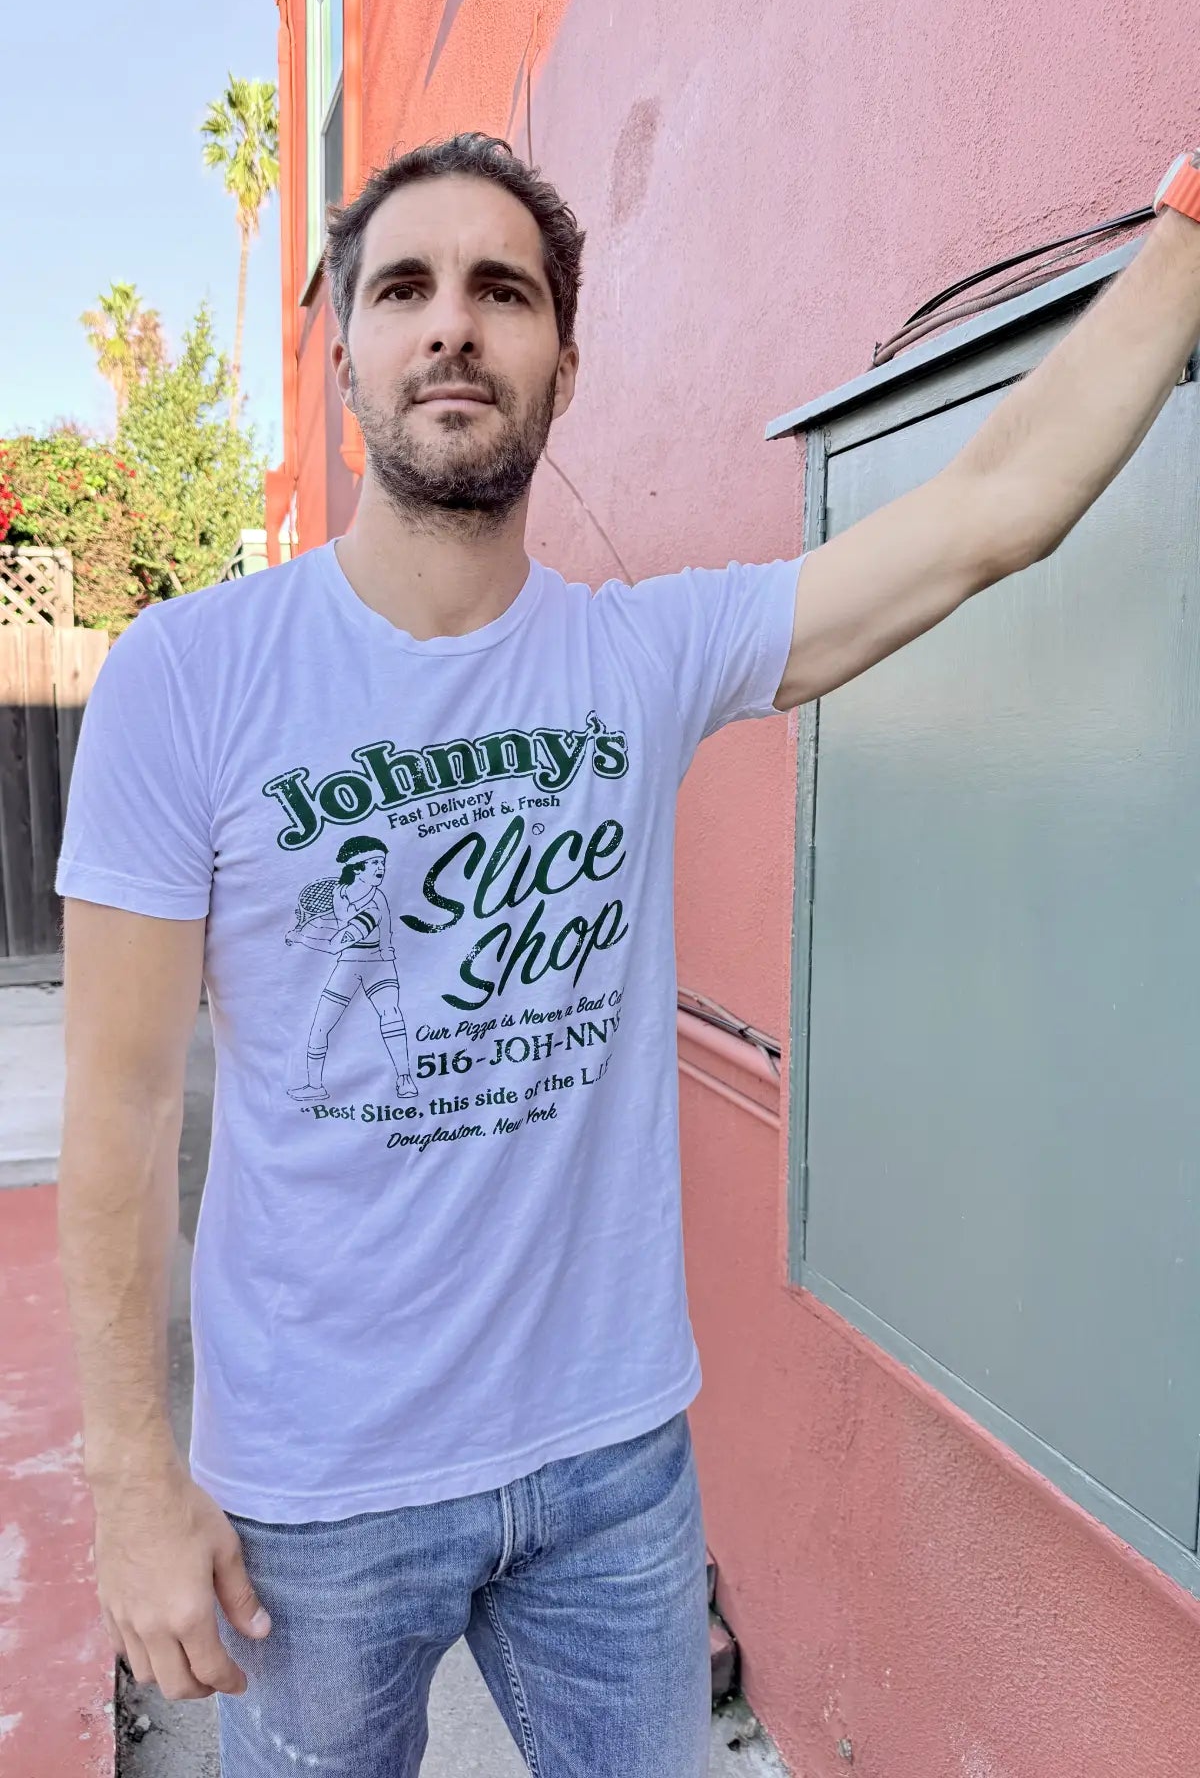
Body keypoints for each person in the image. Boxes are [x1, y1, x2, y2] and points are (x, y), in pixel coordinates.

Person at [56, 133, 1200, 1777]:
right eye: (407, 287)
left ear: (563, 363)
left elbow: (990, 511)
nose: (453, 324)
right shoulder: (194, 677)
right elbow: (116, 1107)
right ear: (351, 354)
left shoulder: (635, 661)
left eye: (501, 291)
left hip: (608, 1470)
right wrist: (135, 1486)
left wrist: (1186, 226)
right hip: (317, 1489)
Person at [284, 834, 419, 1104]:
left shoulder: (376, 902)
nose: (381, 868)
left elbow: (338, 941)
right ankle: (314, 1086)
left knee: (390, 1014)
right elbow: (334, 926)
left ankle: (404, 1078)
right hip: (348, 964)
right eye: (374, 863)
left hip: (379, 964)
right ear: (357, 867)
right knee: (320, 1025)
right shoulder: (338, 893)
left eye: (382, 862)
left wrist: (301, 937)